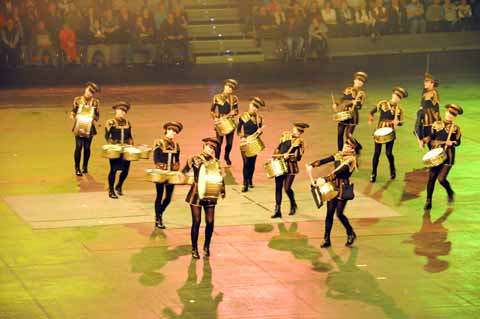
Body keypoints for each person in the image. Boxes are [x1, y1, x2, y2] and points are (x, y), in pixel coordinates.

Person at [306, 135, 360, 247]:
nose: (345, 146)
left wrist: (324, 179)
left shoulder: (351, 160)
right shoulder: (339, 155)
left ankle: (350, 232)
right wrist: (312, 165)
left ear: (352, 149)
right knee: (329, 213)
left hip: (343, 187)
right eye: (345, 144)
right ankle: (327, 239)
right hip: (333, 185)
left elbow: (339, 172)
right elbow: (325, 160)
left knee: (339, 213)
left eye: (348, 146)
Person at [182, 137, 226, 259]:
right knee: (196, 222)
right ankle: (194, 248)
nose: (210, 149)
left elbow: (219, 178)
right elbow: (184, 171)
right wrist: (187, 176)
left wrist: (222, 189)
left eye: (213, 148)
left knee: (210, 222)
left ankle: (206, 246)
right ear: (204, 146)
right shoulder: (195, 159)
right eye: (208, 147)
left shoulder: (216, 162)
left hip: (211, 193)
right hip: (196, 193)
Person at [424, 104, 463, 210]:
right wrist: (427, 141)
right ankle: (428, 200)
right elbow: (431, 138)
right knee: (431, 177)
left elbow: (458, 142)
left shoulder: (455, 128)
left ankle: (449, 191)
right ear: (446, 112)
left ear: (455, 117)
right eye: (450, 113)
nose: (450, 115)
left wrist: (453, 143)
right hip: (436, 154)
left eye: (453, 115)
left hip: (448, 156)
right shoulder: (436, 124)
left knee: (441, 179)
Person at [368, 87, 408, 182]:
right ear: (392, 94)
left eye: (399, 97)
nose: (396, 97)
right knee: (377, 153)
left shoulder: (399, 110)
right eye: (395, 95)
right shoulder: (382, 103)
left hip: (390, 131)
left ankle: (392, 169)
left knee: (388, 153)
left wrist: (397, 123)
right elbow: (372, 112)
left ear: (400, 99)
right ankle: (373, 173)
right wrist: (370, 118)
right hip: (380, 129)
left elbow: (401, 122)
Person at [271, 123, 309, 218]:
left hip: (290, 166)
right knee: (278, 187)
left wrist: (292, 156)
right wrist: (276, 155)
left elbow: (298, 158)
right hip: (280, 163)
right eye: (296, 130)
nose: (297, 133)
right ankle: (277, 210)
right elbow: (278, 147)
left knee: (287, 188)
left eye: (300, 132)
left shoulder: (300, 142)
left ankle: (293, 203)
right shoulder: (285, 135)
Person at [153, 121, 183, 229]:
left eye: (175, 132)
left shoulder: (176, 145)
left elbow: (177, 159)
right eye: (171, 131)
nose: (172, 133)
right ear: (166, 130)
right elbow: (156, 158)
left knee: (169, 198)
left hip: (171, 174)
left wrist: (176, 165)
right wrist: (161, 166)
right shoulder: (159, 142)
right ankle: (158, 219)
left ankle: (159, 213)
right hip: (161, 174)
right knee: (159, 195)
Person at [70, 82, 100, 176]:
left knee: (87, 148)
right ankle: (77, 168)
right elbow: (73, 111)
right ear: (85, 89)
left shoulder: (95, 102)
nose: (89, 93)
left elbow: (97, 117)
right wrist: (72, 115)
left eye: (91, 92)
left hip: (89, 127)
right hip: (79, 127)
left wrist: (92, 115)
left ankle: (85, 166)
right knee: (78, 147)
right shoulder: (77, 100)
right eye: (88, 90)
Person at [105, 102, 134, 199]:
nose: (122, 113)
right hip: (115, 149)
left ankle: (119, 185)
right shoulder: (111, 122)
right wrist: (111, 144)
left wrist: (131, 143)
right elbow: (107, 135)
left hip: (125, 149)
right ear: (116, 111)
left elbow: (130, 135)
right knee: (113, 170)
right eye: (120, 111)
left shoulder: (127, 123)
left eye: (124, 112)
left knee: (126, 170)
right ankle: (111, 190)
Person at [332, 71, 367, 151]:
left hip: (353, 115)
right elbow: (342, 99)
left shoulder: (362, 94)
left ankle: (355, 146)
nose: (358, 82)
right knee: (339, 134)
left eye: (361, 81)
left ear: (362, 84)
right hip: (344, 114)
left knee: (348, 135)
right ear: (354, 81)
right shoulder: (348, 90)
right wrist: (336, 104)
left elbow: (359, 106)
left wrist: (356, 104)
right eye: (357, 80)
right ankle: (339, 151)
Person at [237, 97, 265, 192]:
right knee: (246, 163)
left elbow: (259, 131)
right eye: (253, 106)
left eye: (256, 107)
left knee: (252, 163)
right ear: (250, 105)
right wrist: (242, 138)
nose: (254, 108)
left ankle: (250, 180)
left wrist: (260, 131)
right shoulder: (243, 116)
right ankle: (245, 184)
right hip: (245, 142)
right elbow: (238, 130)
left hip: (254, 142)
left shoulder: (259, 119)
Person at [210, 79, 239, 166]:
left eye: (231, 88)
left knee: (229, 144)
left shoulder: (234, 98)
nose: (229, 89)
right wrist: (215, 118)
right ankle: (217, 159)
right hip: (220, 122)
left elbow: (236, 110)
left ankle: (226, 156)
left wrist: (235, 112)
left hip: (230, 122)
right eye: (228, 86)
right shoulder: (217, 97)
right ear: (224, 86)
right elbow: (212, 110)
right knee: (219, 143)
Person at [414, 73, 441, 150]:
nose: (424, 83)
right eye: (424, 81)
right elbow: (422, 105)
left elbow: (436, 108)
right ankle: (421, 140)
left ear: (432, 83)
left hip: (431, 121)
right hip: (423, 119)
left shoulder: (433, 93)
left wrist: (437, 121)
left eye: (427, 81)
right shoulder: (425, 93)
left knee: (432, 145)